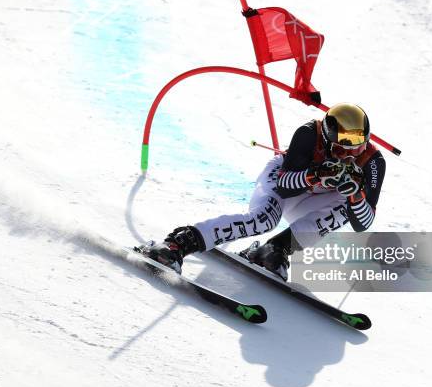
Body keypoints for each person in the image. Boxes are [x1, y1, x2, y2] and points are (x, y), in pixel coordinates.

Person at [140, 103, 386, 281]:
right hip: (286, 181)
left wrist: (356, 195)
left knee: (344, 209)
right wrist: (316, 174)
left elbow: (362, 223)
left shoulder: (373, 162)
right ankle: (178, 243)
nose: (349, 157)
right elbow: (284, 186)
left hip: (317, 200)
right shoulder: (309, 133)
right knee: (264, 220)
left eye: (356, 149)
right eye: (341, 151)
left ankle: (274, 250)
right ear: (326, 138)